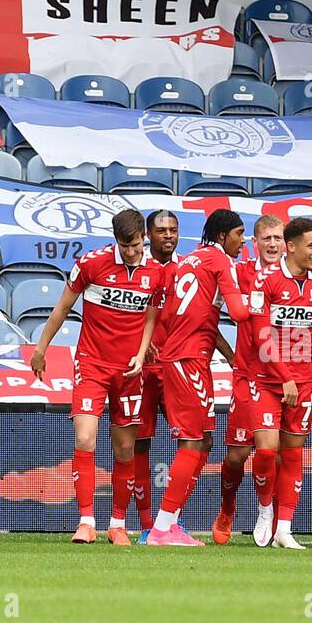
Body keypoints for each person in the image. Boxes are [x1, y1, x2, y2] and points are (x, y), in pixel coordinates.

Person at [30, 209, 162, 544]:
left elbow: (150, 317)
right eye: (126, 245)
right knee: (85, 436)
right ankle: (86, 520)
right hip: (92, 363)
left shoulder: (156, 272)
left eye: (138, 245)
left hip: (130, 369)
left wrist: (142, 349)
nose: (133, 252)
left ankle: (117, 523)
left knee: (124, 449)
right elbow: (62, 308)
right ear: (116, 240)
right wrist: (41, 349)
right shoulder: (92, 264)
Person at [146, 209, 251, 546]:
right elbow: (239, 313)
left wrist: (231, 357)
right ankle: (161, 530)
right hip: (187, 359)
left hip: (190, 356)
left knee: (204, 440)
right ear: (222, 236)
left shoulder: (188, 261)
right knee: (192, 441)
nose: (243, 240)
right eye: (239, 233)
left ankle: (171, 523)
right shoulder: (221, 263)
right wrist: (265, 302)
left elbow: (200, 317)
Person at [249, 217, 312, 549]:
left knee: (293, 455)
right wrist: (286, 379)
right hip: (267, 381)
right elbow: (260, 335)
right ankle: (266, 510)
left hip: (303, 384)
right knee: (266, 452)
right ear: (291, 247)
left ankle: (284, 528)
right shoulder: (264, 281)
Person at [213, 214, 285, 544]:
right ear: (254, 244)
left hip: (286, 377)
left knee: (274, 453)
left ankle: (267, 511)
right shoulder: (240, 273)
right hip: (248, 375)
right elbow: (207, 312)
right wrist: (230, 356)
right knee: (236, 456)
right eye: (265, 238)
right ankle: (228, 507)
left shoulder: (297, 274)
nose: (272, 244)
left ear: (287, 243)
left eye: (278, 238)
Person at [128, 209, 180, 540]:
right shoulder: (137, 271)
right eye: (161, 231)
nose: (168, 236)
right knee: (140, 446)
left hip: (177, 369)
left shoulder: (187, 271)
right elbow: (124, 314)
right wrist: (139, 345)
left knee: (189, 445)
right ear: (148, 235)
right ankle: (147, 524)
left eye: (173, 230)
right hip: (142, 369)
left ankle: (170, 520)